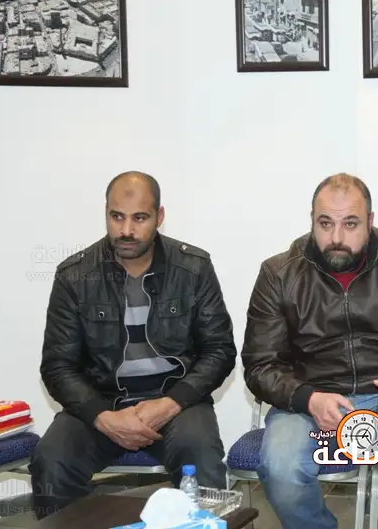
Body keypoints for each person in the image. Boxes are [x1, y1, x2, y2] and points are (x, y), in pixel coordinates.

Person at [241, 173, 378, 529]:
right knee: (280, 464)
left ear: (370, 222)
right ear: (311, 220)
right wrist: (308, 398)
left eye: (350, 224)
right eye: (325, 223)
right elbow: (260, 364)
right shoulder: (278, 274)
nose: (336, 238)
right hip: (310, 402)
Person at [29, 171, 237, 518]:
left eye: (139, 218)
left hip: (177, 402)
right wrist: (103, 418)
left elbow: (220, 350)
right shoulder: (74, 276)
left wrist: (169, 404)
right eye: (117, 217)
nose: (126, 230)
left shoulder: (193, 268)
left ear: (159, 216)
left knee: (200, 453)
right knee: (51, 459)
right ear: (106, 213)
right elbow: (57, 366)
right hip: (101, 402)